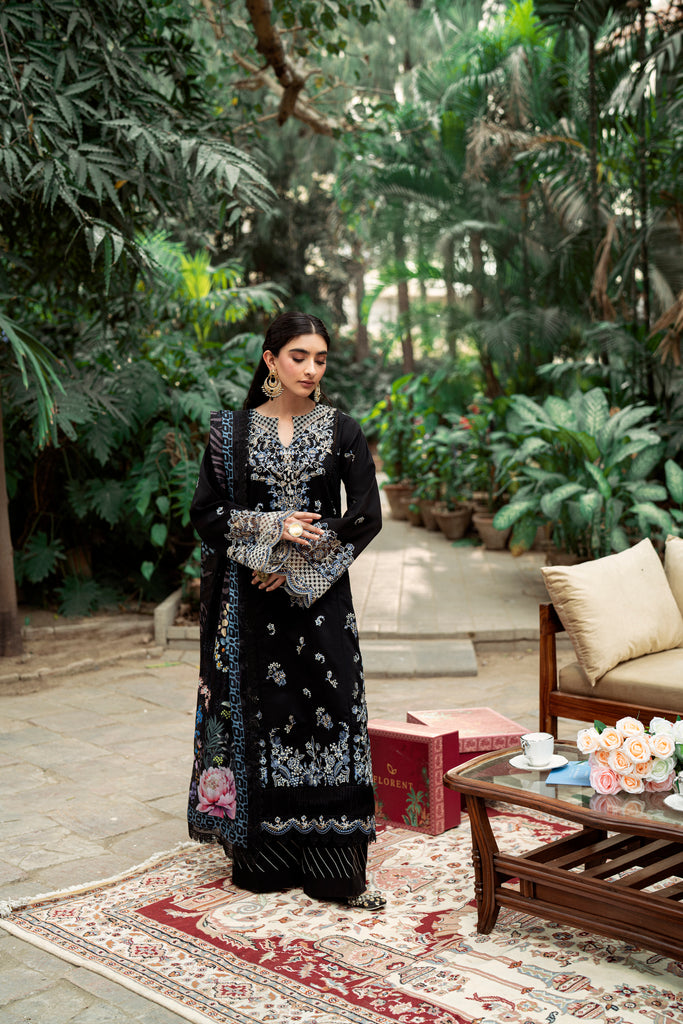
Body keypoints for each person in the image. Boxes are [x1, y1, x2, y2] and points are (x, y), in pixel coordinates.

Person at [187, 310, 385, 910]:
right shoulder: (230, 433)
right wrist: (272, 532)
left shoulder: (342, 430)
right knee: (264, 717)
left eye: (320, 358)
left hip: (320, 602)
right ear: (271, 360)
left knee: (331, 713)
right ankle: (266, 857)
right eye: (299, 356)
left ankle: (334, 864)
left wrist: (297, 566)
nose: (311, 368)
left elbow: (365, 516)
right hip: (250, 612)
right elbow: (207, 515)